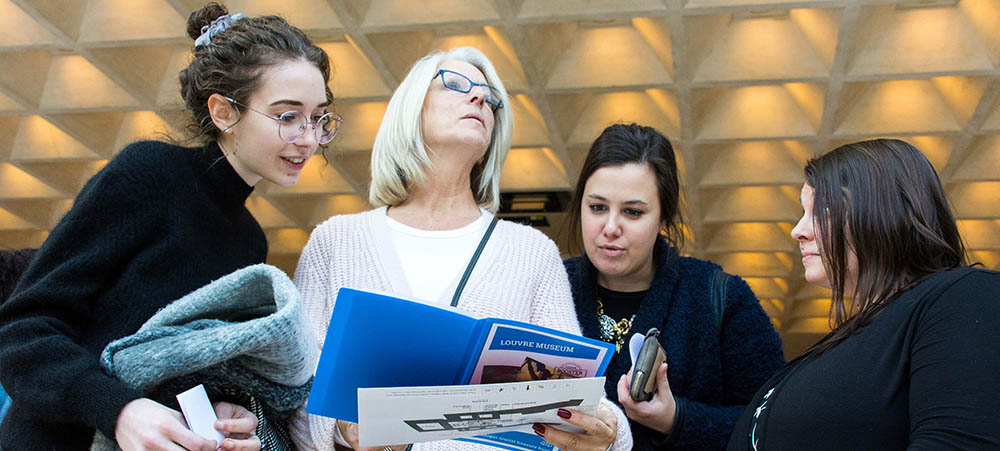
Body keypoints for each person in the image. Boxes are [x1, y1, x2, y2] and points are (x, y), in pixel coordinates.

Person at [0, 3, 339, 450]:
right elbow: (24, 330)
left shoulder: (249, 238)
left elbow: (184, 364)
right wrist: (120, 408)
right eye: (287, 116)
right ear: (223, 112)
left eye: (318, 117)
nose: (309, 138)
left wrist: (224, 405)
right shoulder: (150, 175)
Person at [289, 46, 633, 451]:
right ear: (411, 107)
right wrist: (343, 431)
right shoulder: (336, 242)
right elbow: (296, 393)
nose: (479, 98)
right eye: (456, 84)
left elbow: (581, 397)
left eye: (490, 98)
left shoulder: (532, 252)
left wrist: (609, 436)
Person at [727, 139, 1000, 450]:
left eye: (824, 210)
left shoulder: (963, 296)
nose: (797, 231)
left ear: (886, 212)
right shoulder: (840, 342)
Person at [563, 123, 786, 450]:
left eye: (633, 212)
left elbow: (772, 423)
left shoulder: (721, 297)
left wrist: (675, 418)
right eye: (597, 207)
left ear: (663, 218)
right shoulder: (549, 284)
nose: (610, 227)